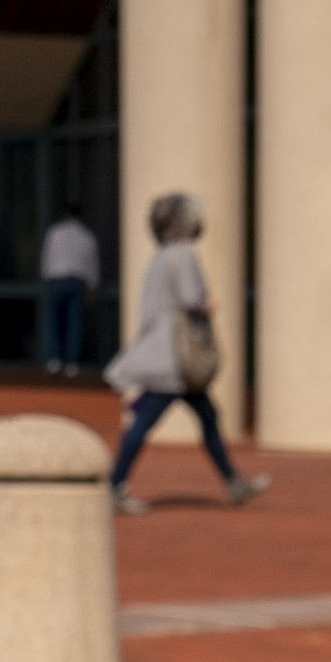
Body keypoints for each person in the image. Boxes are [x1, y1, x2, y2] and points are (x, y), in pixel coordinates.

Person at [106, 197, 262, 509]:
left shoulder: (160, 257)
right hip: (176, 361)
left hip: (166, 357)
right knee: (145, 422)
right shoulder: (185, 254)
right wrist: (208, 306)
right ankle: (113, 486)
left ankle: (234, 482)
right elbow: (192, 298)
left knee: (205, 416)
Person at [39, 204, 105, 378]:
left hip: (56, 281)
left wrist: (46, 279)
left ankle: (54, 360)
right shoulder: (87, 236)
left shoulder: (55, 233)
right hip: (76, 282)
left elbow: (47, 258)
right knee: (74, 323)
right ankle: (72, 363)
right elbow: (93, 263)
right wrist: (92, 286)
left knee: (53, 322)